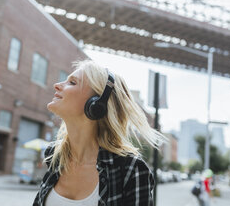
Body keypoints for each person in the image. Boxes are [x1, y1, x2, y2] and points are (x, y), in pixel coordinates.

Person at [33, 60, 164, 206]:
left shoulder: (131, 169)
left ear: (96, 104)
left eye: (72, 82)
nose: (57, 85)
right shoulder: (54, 155)